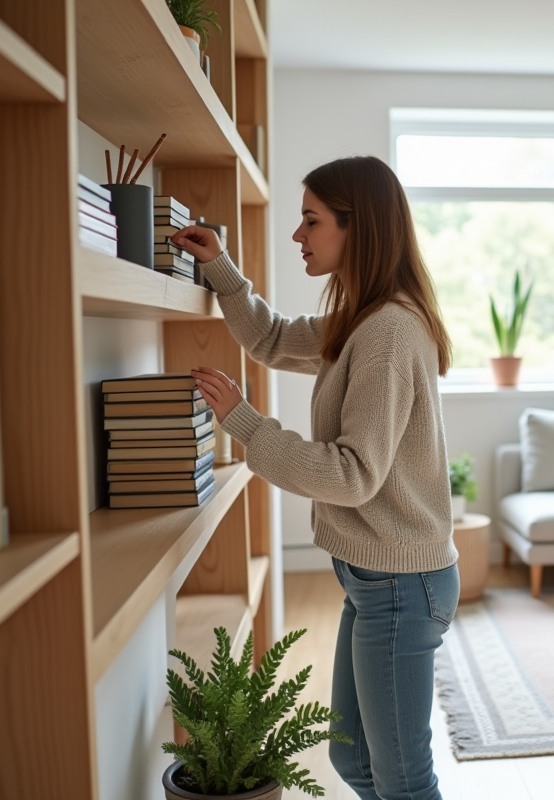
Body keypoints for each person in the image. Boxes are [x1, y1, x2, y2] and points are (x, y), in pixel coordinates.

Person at [171, 155, 459, 800]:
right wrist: (219, 267)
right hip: (379, 580)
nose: (298, 236)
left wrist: (244, 423)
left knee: (403, 781)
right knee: (358, 766)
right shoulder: (364, 316)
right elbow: (272, 339)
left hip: (400, 584)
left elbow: (354, 477)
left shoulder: (386, 333)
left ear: (357, 229)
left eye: (311, 220)